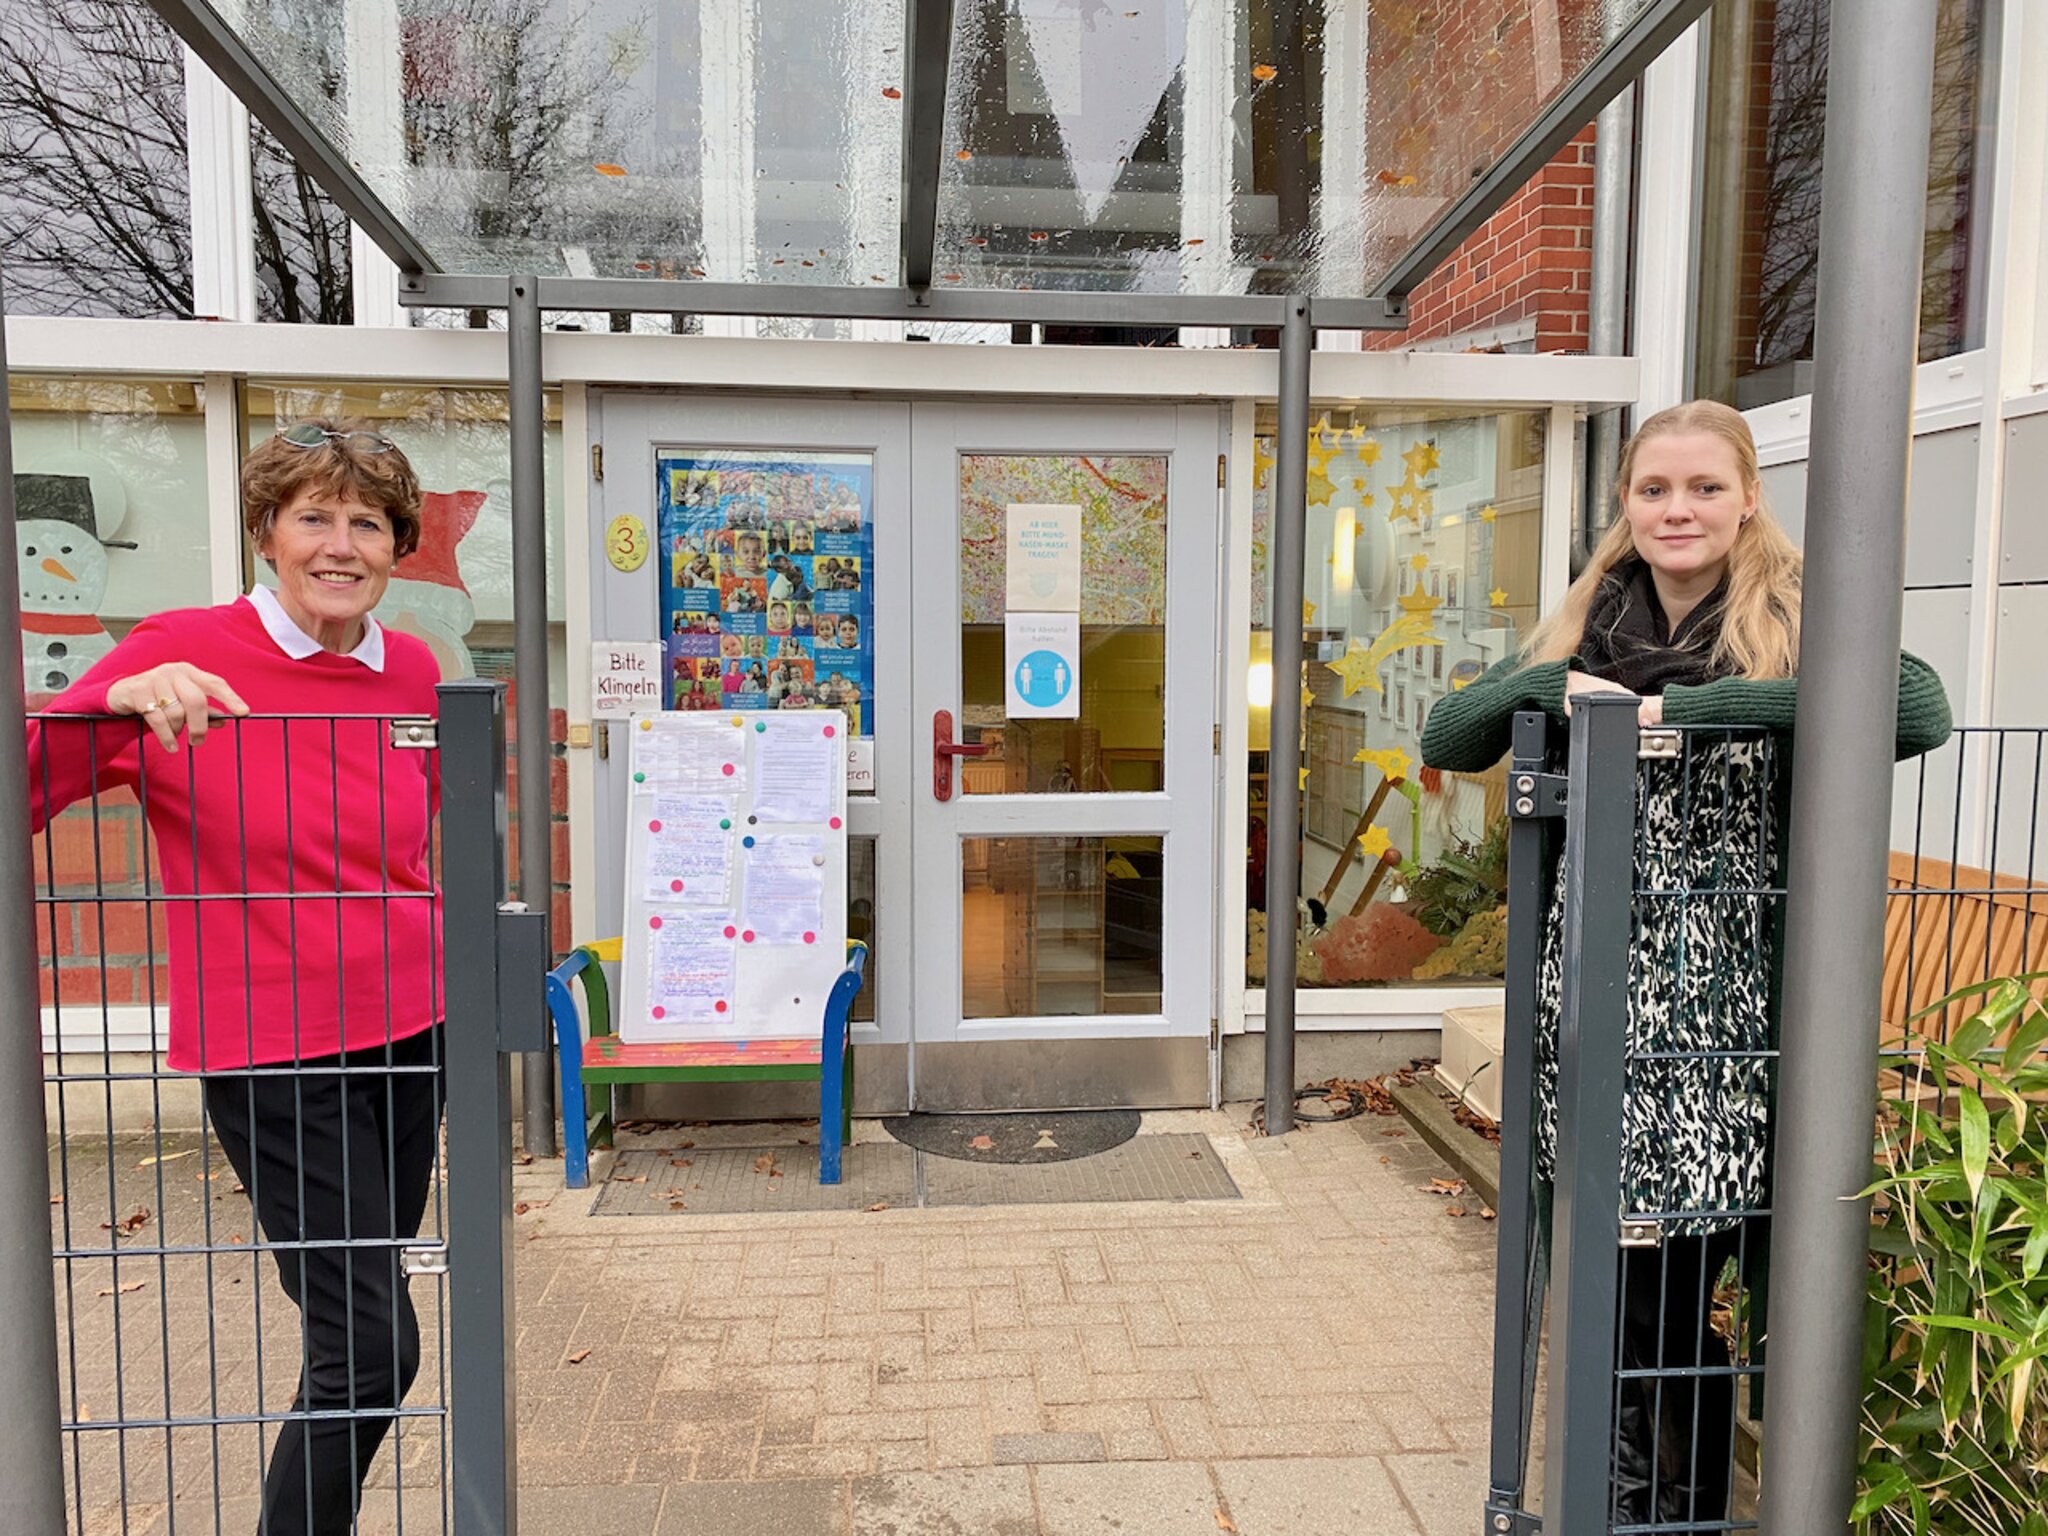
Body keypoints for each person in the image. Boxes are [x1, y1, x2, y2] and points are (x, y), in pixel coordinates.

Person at [1420, 399, 1952, 1527]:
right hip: (1602, 996)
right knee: (1616, 1282)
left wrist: (1693, 711)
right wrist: (1552, 691)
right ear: (1625, 502)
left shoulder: (1799, 612)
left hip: (1734, 1013)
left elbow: (1914, 707)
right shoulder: (1589, 618)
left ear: (1747, 496)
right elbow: (1445, 735)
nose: (1676, 510)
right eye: (1652, 489)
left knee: (1701, 1282)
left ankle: (1684, 1505)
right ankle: (1627, 1504)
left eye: (1703, 487)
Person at [26, 418, 449, 1536]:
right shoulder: (182, 651)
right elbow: (23, 789)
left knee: (358, 1330)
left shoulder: (409, 666)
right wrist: (101, 702)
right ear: (268, 532)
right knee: (369, 1345)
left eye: (368, 522)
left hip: (412, 1034)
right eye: (315, 515)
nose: (341, 544)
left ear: (397, 547)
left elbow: (415, 837)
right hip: (274, 1052)